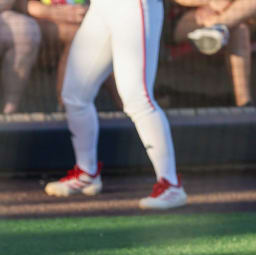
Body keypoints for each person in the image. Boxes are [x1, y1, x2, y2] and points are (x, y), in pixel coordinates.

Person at [44, 0, 188, 210]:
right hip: (102, 7)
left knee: (138, 99)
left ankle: (170, 185)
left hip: (134, 6)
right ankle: (87, 173)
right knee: (75, 95)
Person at [171, 0, 255, 107]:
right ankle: (218, 27)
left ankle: (244, 104)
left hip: (230, 14)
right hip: (187, 18)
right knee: (238, 26)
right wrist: (210, 2)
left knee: (240, 28)